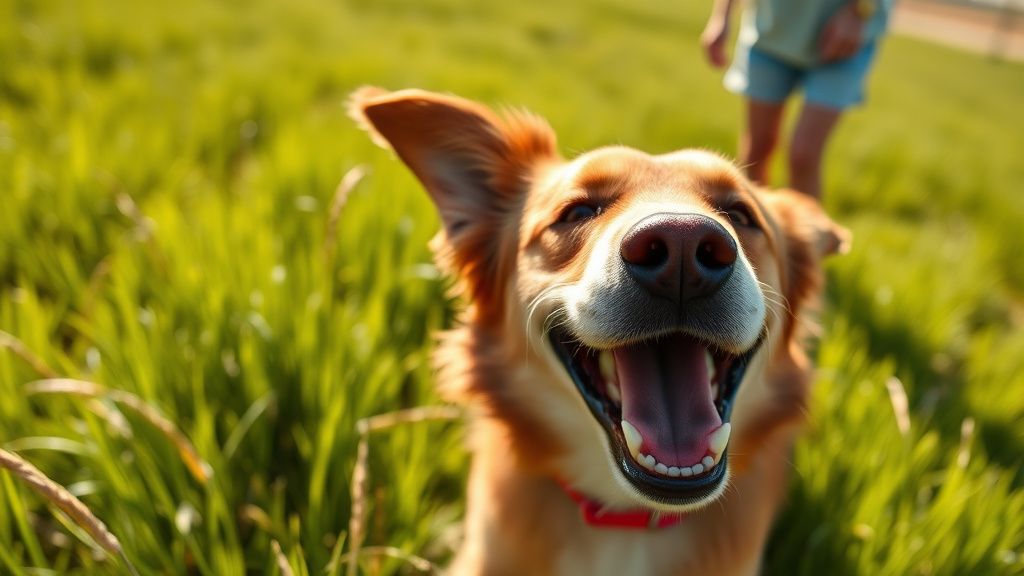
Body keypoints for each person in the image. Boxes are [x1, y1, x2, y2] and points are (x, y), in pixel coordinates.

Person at [701, 0, 891, 198]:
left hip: (842, 38)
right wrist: (721, 17)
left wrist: (858, 11)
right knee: (757, 149)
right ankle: (756, 226)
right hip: (771, 32)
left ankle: (808, 229)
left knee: (803, 156)